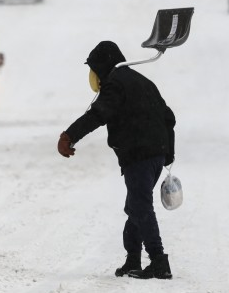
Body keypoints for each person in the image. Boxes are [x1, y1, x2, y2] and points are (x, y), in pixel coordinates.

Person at [57, 41, 177, 280]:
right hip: (155, 154)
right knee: (135, 206)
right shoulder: (143, 81)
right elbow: (168, 116)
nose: (93, 76)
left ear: (102, 66)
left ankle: (158, 261)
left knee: (140, 207)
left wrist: (69, 135)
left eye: (93, 69)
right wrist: (168, 152)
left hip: (139, 155)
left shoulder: (115, 84)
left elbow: (98, 114)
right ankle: (133, 260)